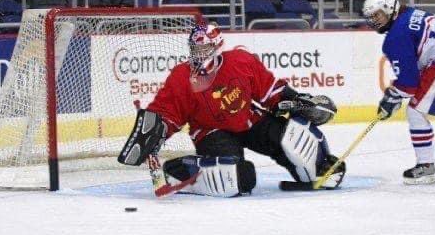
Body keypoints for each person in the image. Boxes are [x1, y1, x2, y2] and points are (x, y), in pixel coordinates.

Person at [117, 23, 345, 197]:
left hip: (249, 120)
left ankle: (316, 169)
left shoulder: (240, 61)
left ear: (217, 47)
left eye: (204, 48)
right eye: (195, 49)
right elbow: (167, 113)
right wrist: (157, 130)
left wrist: (297, 100)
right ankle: (178, 171)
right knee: (237, 178)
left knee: (294, 135)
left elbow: (270, 91)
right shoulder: (182, 77)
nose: (198, 54)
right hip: (212, 132)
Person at [362, 0, 435, 185]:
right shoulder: (411, 12)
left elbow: (409, 84)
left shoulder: (395, 37)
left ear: (390, 7)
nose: (374, 21)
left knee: (416, 110)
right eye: (371, 17)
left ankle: (425, 166)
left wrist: (392, 96)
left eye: (378, 15)